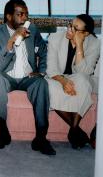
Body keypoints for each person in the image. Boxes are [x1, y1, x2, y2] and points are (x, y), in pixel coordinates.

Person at [0, 0, 55, 155]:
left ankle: (41, 138)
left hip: (28, 77)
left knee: (41, 83)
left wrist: (42, 71)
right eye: (20, 14)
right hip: (6, 77)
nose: (25, 18)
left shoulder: (32, 29)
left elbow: (44, 51)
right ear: (9, 16)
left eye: (26, 14)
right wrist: (11, 41)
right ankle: (4, 132)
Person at [46, 14, 100, 149]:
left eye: (75, 28)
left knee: (82, 81)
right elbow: (51, 69)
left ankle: (74, 129)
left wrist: (80, 46)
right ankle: (76, 130)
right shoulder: (55, 38)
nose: (70, 29)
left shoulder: (94, 43)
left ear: (85, 33)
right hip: (57, 77)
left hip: (79, 78)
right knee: (48, 87)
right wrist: (64, 81)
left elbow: (85, 72)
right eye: (70, 25)